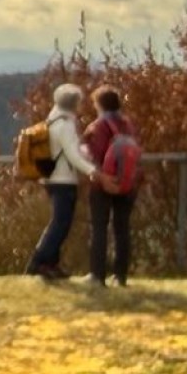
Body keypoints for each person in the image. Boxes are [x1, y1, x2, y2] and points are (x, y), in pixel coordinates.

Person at [25, 83, 105, 280]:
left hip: (50, 179)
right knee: (60, 224)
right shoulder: (66, 125)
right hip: (63, 180)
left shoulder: (52, 121)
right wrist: (93, 171)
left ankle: (51, 264)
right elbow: (73, 155)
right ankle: (38, 262)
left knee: (59, 222)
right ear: (74, 104)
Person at [82, 85, 138, 288]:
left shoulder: (99, 126)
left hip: (103, 184)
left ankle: (98, 275)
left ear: (100, 105)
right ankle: (120, 276)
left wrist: (98, 175)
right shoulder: (128, 125)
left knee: (99, 228)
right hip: (127, 183)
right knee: (122, 229)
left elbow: (92, 154)